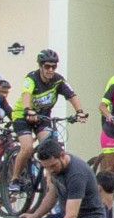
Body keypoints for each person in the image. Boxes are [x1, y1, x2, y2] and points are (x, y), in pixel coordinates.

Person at [21, 137, 110, 218]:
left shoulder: (77, 174)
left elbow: (72, 215)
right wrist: (35, 215)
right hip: (66, 217)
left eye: (52, 166)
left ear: (62, 155)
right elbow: (51, 196)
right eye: (46, 167)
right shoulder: (54, 170)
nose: (50, 170)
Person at [8, 49, 82, 185]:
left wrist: (79, 112)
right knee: (27, 147)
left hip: (42, 117)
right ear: (40, 66)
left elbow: (71, 95)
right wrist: (27, 109)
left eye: (54, 66)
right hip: (22, 115)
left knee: (50, 147)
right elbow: (26, 94)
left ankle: (50, 182)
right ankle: (15, 179)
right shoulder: (31, 78)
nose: (50, 70)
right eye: (47, 66)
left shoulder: (58, 80)